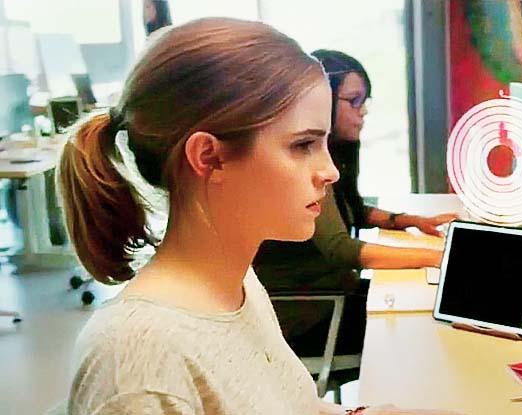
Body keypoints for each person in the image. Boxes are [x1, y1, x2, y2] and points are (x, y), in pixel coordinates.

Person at [60, 18, 453, 415]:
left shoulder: (240, 283)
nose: (330, 171)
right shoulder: (136, 365)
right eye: (303, 145)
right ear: (209, 157)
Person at [252, 51, 456, 365]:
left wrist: (414, 221)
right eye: (354, 101)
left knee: (427, 306)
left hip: (331, 294)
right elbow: (340, 248)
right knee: (424, 325)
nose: (362, 113)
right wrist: (436, 257)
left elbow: (353, 209)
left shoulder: (333, 153)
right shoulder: (304, 163)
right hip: (308, 315)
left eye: (365, 102)